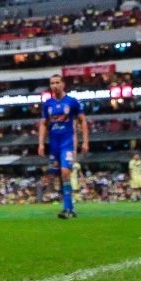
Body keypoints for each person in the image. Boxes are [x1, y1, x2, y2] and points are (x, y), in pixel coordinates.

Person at [36, 73, 89, 219]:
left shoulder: (71, 102)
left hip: (67, 142)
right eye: (52, 83)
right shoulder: (48, 104)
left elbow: (83, 120)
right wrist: (41, 143)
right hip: (54, 144)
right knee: (58, 175)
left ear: (63, 84)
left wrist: (85, 141)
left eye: (57, 82)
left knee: (65, 171)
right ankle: (70, 208)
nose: (54, 85)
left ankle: (66, 209)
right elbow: (43, 124)